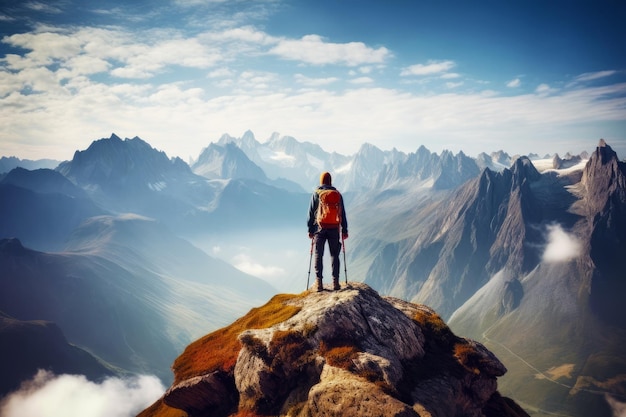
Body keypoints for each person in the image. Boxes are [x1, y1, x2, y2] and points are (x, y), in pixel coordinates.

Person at [307, 171, 348, 292]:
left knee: (318, 254)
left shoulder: (317, 193)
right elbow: (343, 213)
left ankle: (319, 283)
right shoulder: (337, 194)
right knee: (334, 255)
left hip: (320, 228)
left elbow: (311, 213)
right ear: (330, 181)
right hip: (334, 228)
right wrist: (344, 230)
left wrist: (310, 229)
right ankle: (336, 282)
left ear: (321, 181)